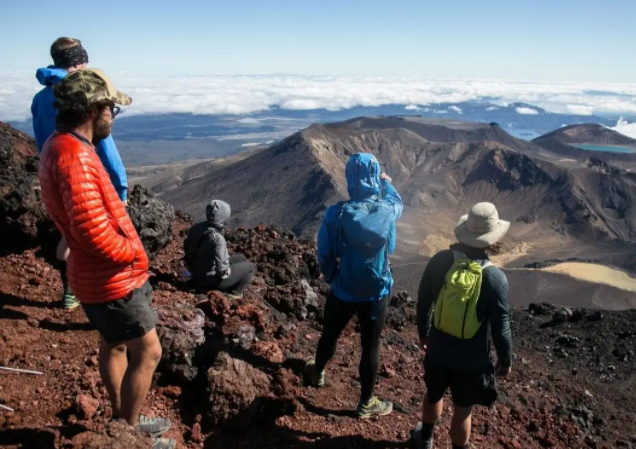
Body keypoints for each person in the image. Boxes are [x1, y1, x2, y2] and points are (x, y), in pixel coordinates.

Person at [38, 68, 175, 449]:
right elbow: (91, 232)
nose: (113, 115)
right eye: (111, 108)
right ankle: (128, 435)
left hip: (94, 278)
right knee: (149, 352)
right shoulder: (74, 158)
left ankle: (122, 417)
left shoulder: (61, 145)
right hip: (112, 279)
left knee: (112, 343)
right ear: (94, 109)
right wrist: (133, 251)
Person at [31, 37, 129, 311]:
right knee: (98, 238)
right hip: (86, 176)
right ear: (78, 63)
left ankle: (71, 293)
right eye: (84, 62)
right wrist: (121, 189)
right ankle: (103, 299)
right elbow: (106, 149)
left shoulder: (40, 99)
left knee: (69, 234)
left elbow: (41, 140)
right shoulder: (83, 97)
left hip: (53, 174)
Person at [304, 153, 403, 419]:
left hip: (343, 288)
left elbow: (324, 252)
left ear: (349, 179)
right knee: (370, 345)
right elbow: (397, 203)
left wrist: (331, 276)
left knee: (330, 334)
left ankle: (317, 373)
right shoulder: (387, 211)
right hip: (376, 292)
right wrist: (386, 183)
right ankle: (366, 403)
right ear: (374, 177)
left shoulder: (336, 214)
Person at [412, 202, 513, 449]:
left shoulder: (439, 261)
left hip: (437, 349)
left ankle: (425, 438)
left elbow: (424, 301)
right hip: (472, 359)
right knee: (463, 410)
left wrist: (423, 334)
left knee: (433, 393)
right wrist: (505, 360)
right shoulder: (495, 278)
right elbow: (501, 326)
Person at [184, 200, 256, 299]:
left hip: (194, 271)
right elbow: (223, 271)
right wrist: (230, 271)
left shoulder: (195, 228)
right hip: (207, 280)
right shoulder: (217, 238)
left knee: (241, 258)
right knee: (251, 267)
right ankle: (235, 294)